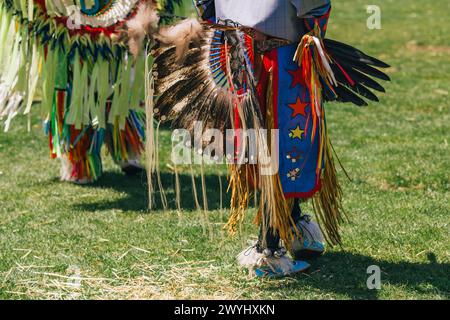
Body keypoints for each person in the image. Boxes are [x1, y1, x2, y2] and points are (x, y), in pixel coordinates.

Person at [135, 0, 390, 277]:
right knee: (277, 152)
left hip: (239, 56)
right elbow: (314, 10)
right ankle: (267, 251)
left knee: (271, 150)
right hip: (275, 62)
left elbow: (206, 7)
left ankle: (292, 226)